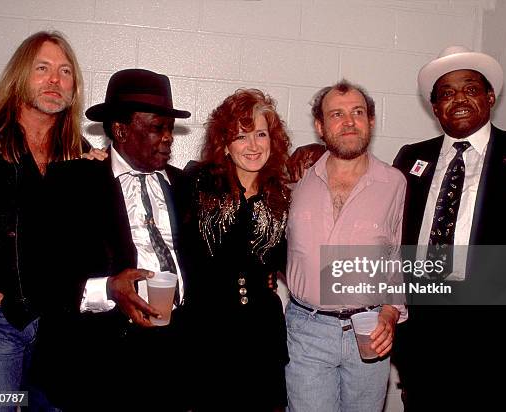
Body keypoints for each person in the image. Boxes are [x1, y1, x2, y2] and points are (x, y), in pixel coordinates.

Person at [391, 45, 506, 411]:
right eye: (446, 93)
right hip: (424, 334)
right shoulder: (412, 157)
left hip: (499, 337)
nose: (458, 99)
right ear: (434, 106)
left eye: (470, 89)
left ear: (490, 98)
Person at [30, 68, 193, 411]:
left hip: (173, 364)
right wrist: (109, 289)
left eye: (169, 129)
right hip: (95, 364)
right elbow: (42, 277)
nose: (168, 138)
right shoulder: (70, 184)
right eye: (156, 128)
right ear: (120, 130)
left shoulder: (186, 186)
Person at [0, 31, 89, 411]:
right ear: (20, 76)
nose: (54, 80)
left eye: (65, 72)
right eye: (43, 68)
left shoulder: (79, 154)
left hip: (59, 330)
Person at [284, 80, 407, 412]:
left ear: (371, 121)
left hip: (369, 331)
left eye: (358, 112)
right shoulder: (295, 178)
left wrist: (390, 313)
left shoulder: (395, 183)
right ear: (320, 127)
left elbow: (395, 257)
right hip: (307, 329)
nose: (349, 122)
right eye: (336, 114)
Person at [183, 89, 291, 410]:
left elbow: (292, 260)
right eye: (241, 136)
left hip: (262, 338)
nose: (253, 146)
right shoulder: (196, 184)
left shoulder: (282, 197)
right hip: (207, 336)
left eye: (261, 134)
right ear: (225, 144)